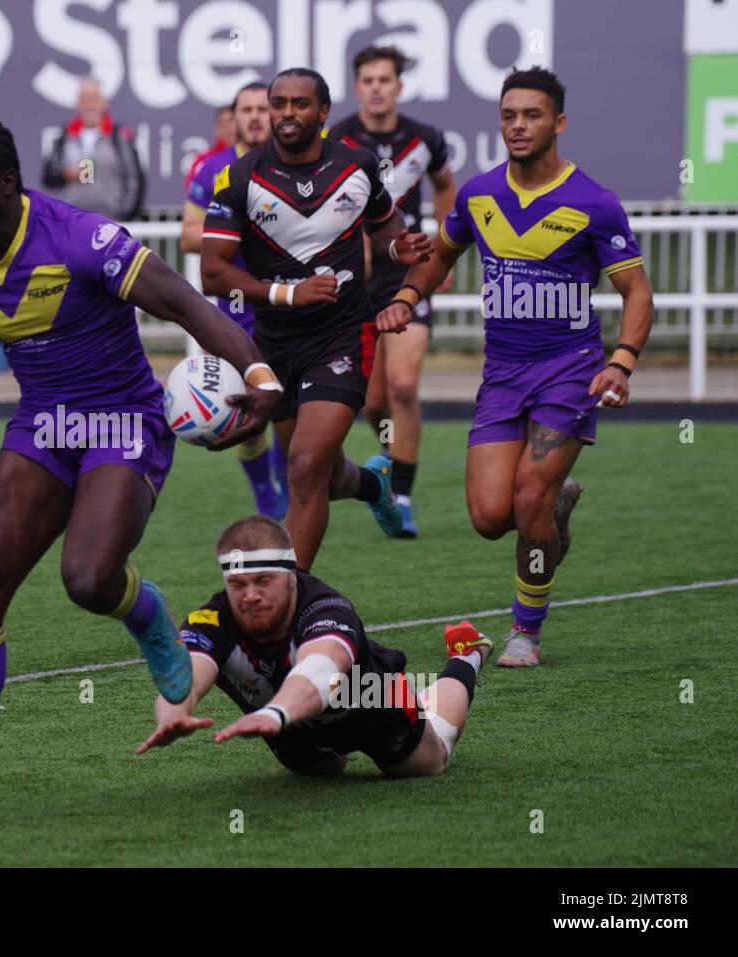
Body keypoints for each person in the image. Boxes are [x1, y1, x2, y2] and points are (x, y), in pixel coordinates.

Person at [0, 115, 282, 829]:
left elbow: (182, 300)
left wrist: (257, 373)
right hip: (44, 426)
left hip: (122, 423)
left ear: (8, 184)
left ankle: (148, 614)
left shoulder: (80, 237)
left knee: (87, 578)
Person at [374, 68, 654, 667]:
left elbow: (638, 295)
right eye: (509, 115)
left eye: (531, 115)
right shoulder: (479, 196)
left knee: (527, 499)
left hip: (569, 372)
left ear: (559, 122)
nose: (518, 126)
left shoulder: (595, 203)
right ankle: (553, 514)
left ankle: (525, 631)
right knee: (488, 516)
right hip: (502, 375)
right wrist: (404, 297)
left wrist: (621, 364)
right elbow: (440, 258)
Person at [201, 68, 432, 573]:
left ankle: (288, 601)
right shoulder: (239, 178)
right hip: (275, 343)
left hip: (343, 335)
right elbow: (213, 273)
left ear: (323, 112)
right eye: (277, 103)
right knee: (317, 476)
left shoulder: (358, 165)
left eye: (299, 104)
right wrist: (288, 293)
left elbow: (384, 225)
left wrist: (399, 245)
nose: (286, 114)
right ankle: (375, 486)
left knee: (305, 467)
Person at [136, 516, 493, 779]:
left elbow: (320, 672)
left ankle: (466, 656)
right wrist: (172, 715)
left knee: (429, 764)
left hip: (370, 700)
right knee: (320, 775)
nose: (250, 595)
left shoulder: (327, 607)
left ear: (291, 576)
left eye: (263, 580)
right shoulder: (211, 619)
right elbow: (187, 675)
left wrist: (274, 713)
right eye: (238, 584)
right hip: (290, 725)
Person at [329, 46, 457, 537]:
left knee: (404, 385)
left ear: (399, 87)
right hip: (358, 280)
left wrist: (445, 251)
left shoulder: (425, 139)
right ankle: (388, 455)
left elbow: (446, 187)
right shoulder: (337, 139)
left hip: (409, 272)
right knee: (374, 400)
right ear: (357, 86)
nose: (378, 87)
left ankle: (400, 494)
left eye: (386, 79)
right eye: (368, 80)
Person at [181, 81, 289, 520]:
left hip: (288, 305)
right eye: (247, 109)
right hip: (236, 308)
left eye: (264, 108)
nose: (256, 116)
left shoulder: (294, 165)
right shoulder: (211, 168)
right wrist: (230, 232)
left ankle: (287, 475)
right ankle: (264, 487)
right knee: (247, 408)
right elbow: (189, 235)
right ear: (234, 117)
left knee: (287, 409)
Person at [41, 77, 144, 221]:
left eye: (94, 98)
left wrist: (124, 216)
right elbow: (48, 177)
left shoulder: (118, 137)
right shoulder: (65, 136)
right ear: (77, 103)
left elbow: (134, 178)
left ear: (105, 103)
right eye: (85, 98)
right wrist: (66, 174)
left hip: (111, 222)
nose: (90, 104)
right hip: (72, 223)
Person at [183, 104, 234, 194]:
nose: (228, 127)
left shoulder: (253, 156)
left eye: (232, 121)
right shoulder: (204, 160)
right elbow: (194, 194)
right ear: (216, 128)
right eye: (223, 123)